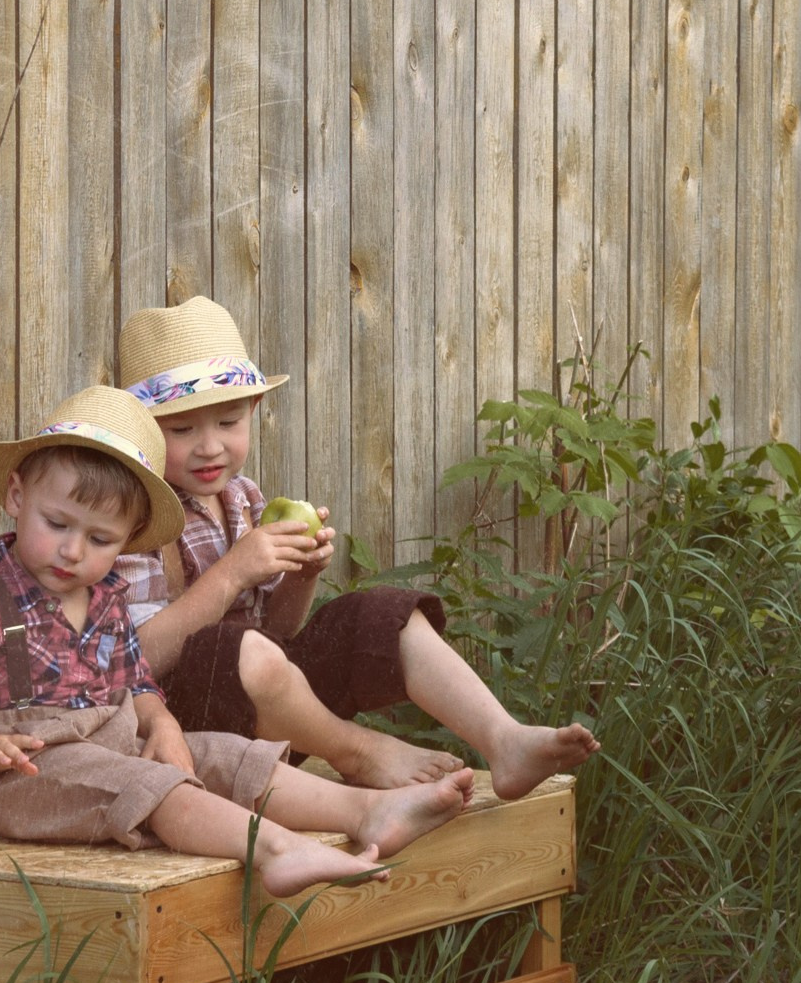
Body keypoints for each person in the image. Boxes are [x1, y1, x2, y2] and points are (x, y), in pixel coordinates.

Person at [0, 384, 472, 897]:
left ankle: (366, 810)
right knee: (154, 782)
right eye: (58, 525)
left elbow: (138, 687)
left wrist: (165, 725)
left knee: (222, 754)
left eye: (100, 539)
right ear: (19, 498)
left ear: (127, 540)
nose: (73, 551)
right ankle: (276, 850)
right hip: (17, 772)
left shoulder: (105, 600)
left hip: (107, 743)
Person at [112, 296, 599, 799]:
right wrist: (233, 573)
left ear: (253, 411)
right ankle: (357, 751)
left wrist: (301, 575)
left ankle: (504, 739)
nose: (210, 446)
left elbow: (279, 631)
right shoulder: (132, 517)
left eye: (229, 423)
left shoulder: (243, 498)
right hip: (190, 727)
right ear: (143, 431)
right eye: (183, 429)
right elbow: (136, 657)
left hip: (277, 712)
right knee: (231, 648)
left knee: (377, 611)